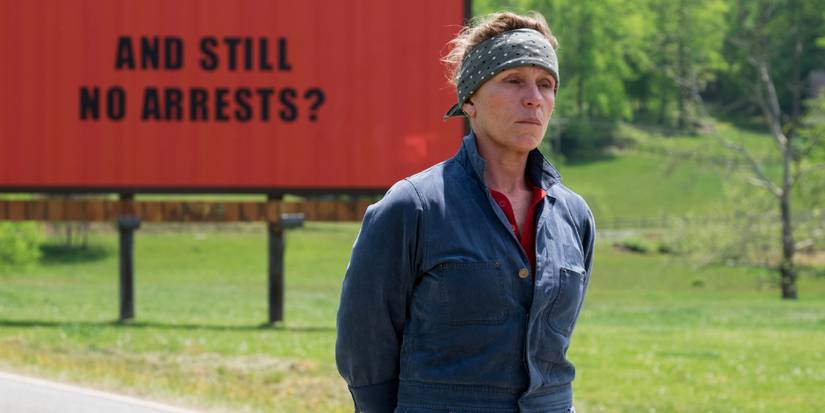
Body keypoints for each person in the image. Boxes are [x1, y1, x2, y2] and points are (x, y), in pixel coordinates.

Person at [336, 11, 595, 413]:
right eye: (513, 80)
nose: (534, 98)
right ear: (469, 98)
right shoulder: (413, 207)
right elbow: (364, 341)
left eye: (546, 84)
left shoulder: (574, 217)